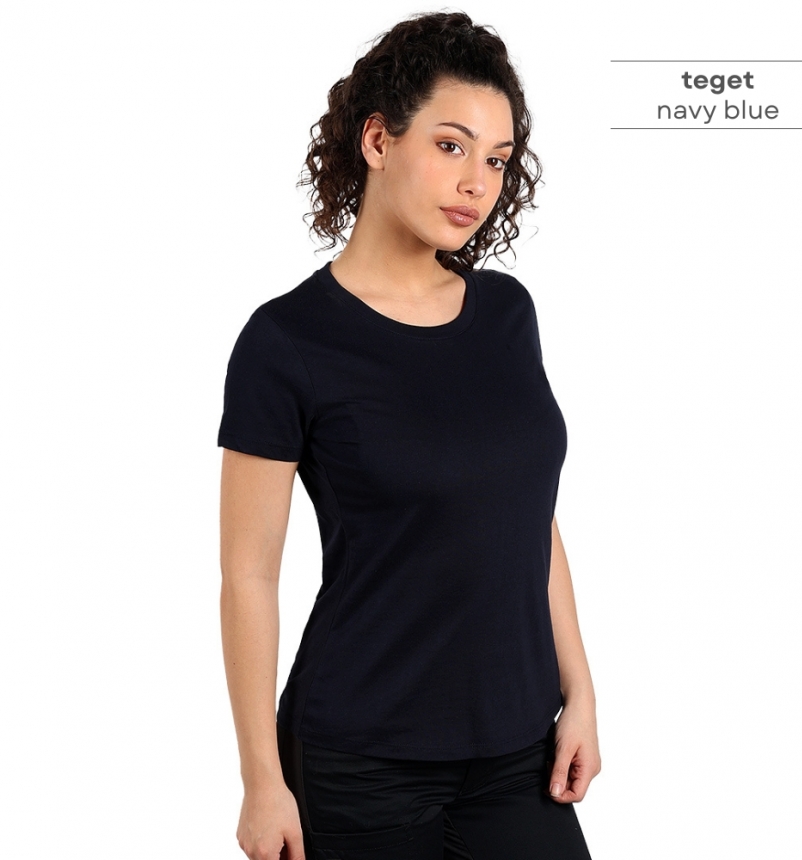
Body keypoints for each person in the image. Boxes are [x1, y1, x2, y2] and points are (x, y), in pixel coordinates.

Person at [218, 11, 600, 860]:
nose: (477, 182)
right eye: (452, 145)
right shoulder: (286, 342)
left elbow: (529, 515)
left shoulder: (507, 314)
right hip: (359, 757)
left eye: (497, 159)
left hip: (518, 750)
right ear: (378, 140)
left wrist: (579, 691)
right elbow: (248, 575)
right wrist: (261, 781)